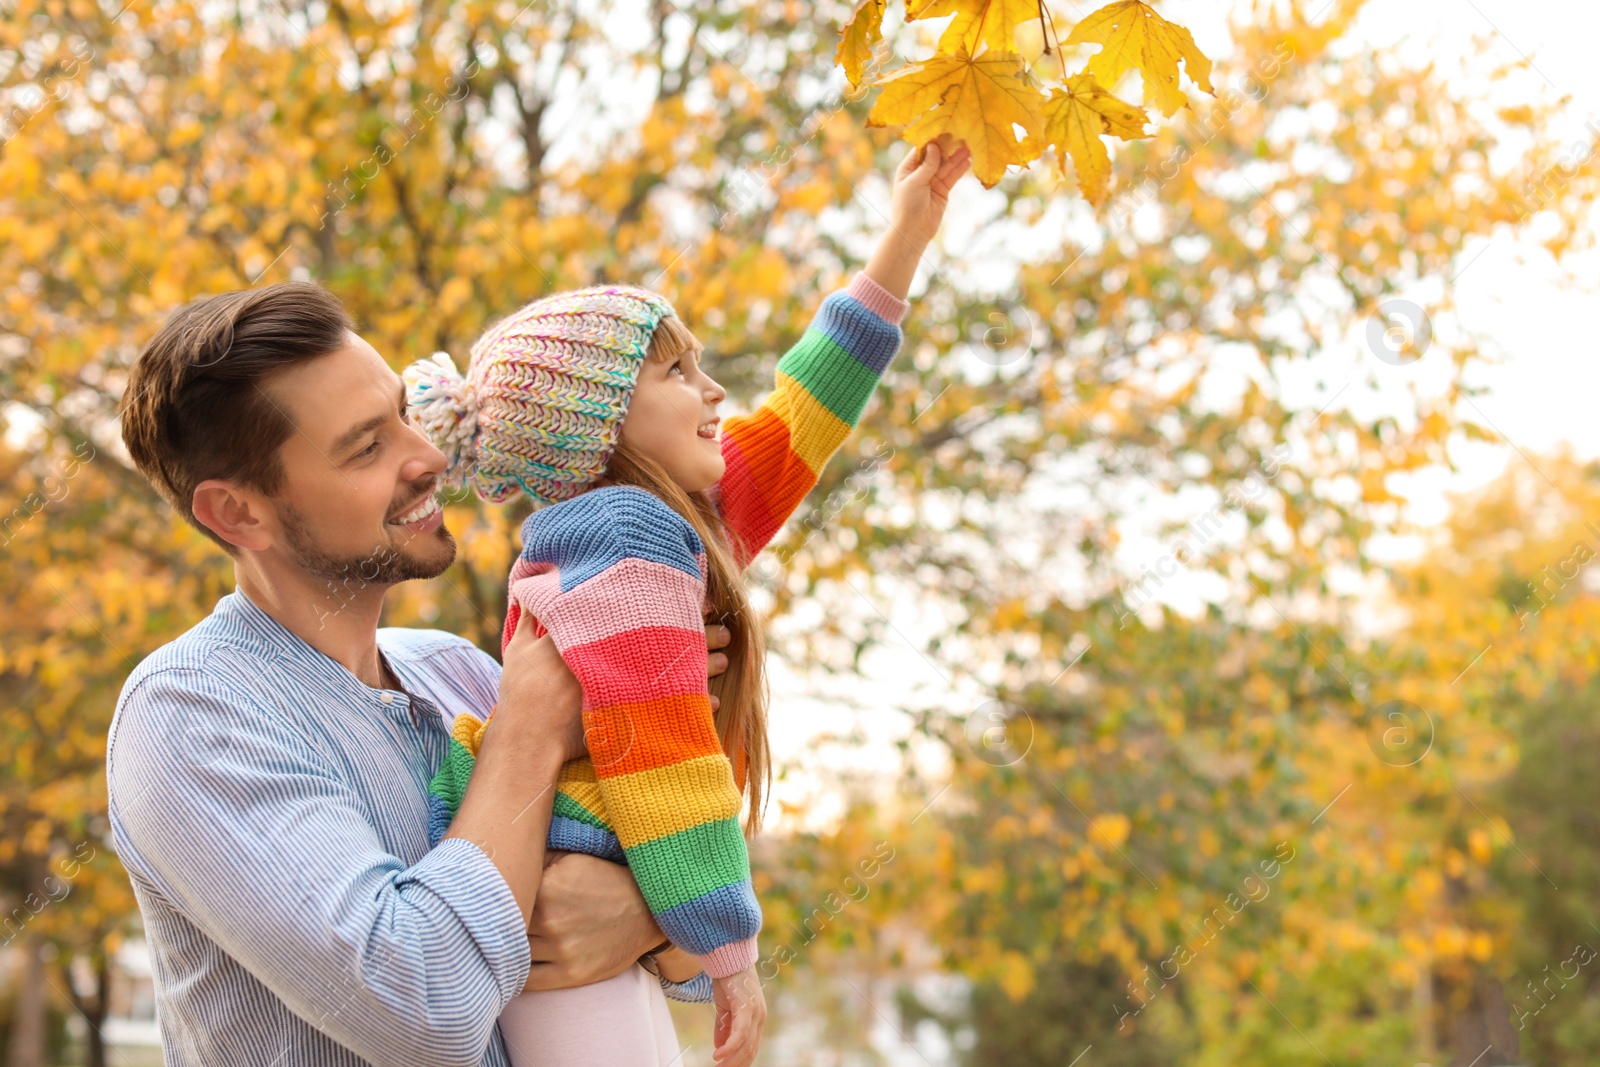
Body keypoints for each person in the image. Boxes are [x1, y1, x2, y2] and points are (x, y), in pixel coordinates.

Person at [403, 137, 972, 1067]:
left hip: (602, 883)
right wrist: (727, 950)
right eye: (676, 374)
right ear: (600, 430)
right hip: (564, 905)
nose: (714, 390)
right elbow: (658, 744)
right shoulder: (627, 535)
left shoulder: (673, 519)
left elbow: (803, 414)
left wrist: (905, 234)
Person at [107, 263, 735, 1065]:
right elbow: (428, 1005)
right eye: (368, 447)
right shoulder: (189, 714)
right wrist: (532, 731)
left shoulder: (456, 673)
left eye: (404, 414)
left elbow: (678, 958)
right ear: (240, 512)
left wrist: (650, 919)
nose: (428, 455)